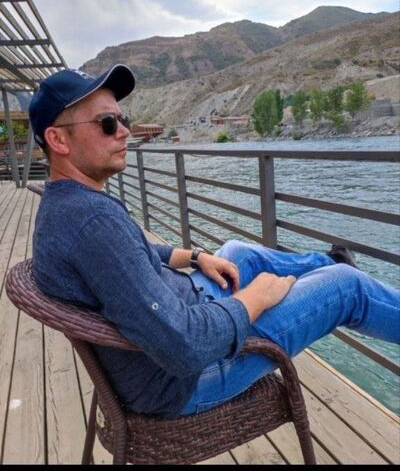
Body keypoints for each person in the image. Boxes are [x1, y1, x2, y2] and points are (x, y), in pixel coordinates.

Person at [29, 64, 400, 418]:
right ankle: (343, 276)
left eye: (121, 119)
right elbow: (185, 345)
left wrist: (195, 257)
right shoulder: (92, 222)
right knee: (345, 288)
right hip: (186, 379)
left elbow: (133, 255)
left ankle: (330, 262)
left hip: (178, 318)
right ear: (58, 139)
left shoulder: (68, 206)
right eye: (107, 124)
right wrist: (257, 297)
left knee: (237, 252)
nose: (124, 131)